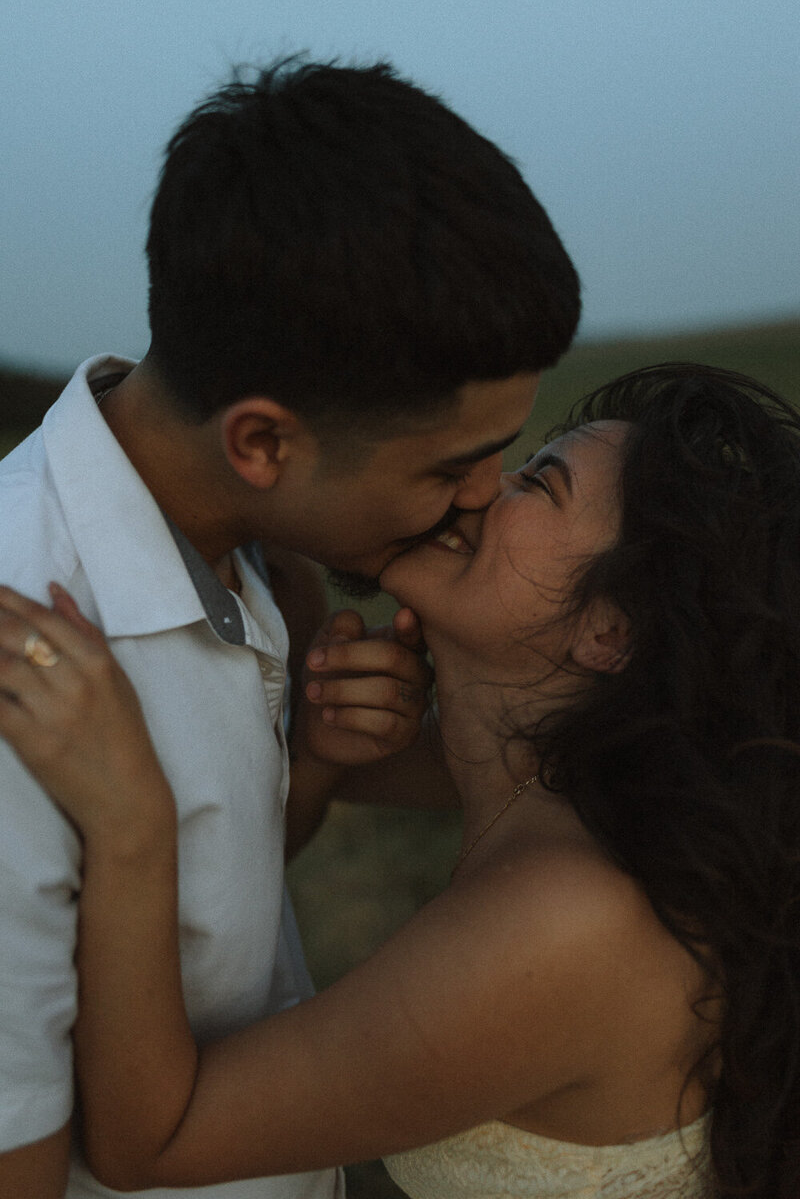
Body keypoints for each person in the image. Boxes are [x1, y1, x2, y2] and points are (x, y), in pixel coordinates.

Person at [1, 363, 798, 1199]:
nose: (483, 491)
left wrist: (131, 820)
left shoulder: (572, 917)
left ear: (608, 629)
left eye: (539, 482)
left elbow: (152, 1145)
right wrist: (315, 759)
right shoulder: (567, 783)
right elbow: (252, 840)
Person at [0, 56, 581, 1198]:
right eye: (454, 466)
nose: (486, 498)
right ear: (262, 443)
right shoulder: (32, 664)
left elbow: (215, 924)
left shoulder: (266, 558)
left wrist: (307, 773)